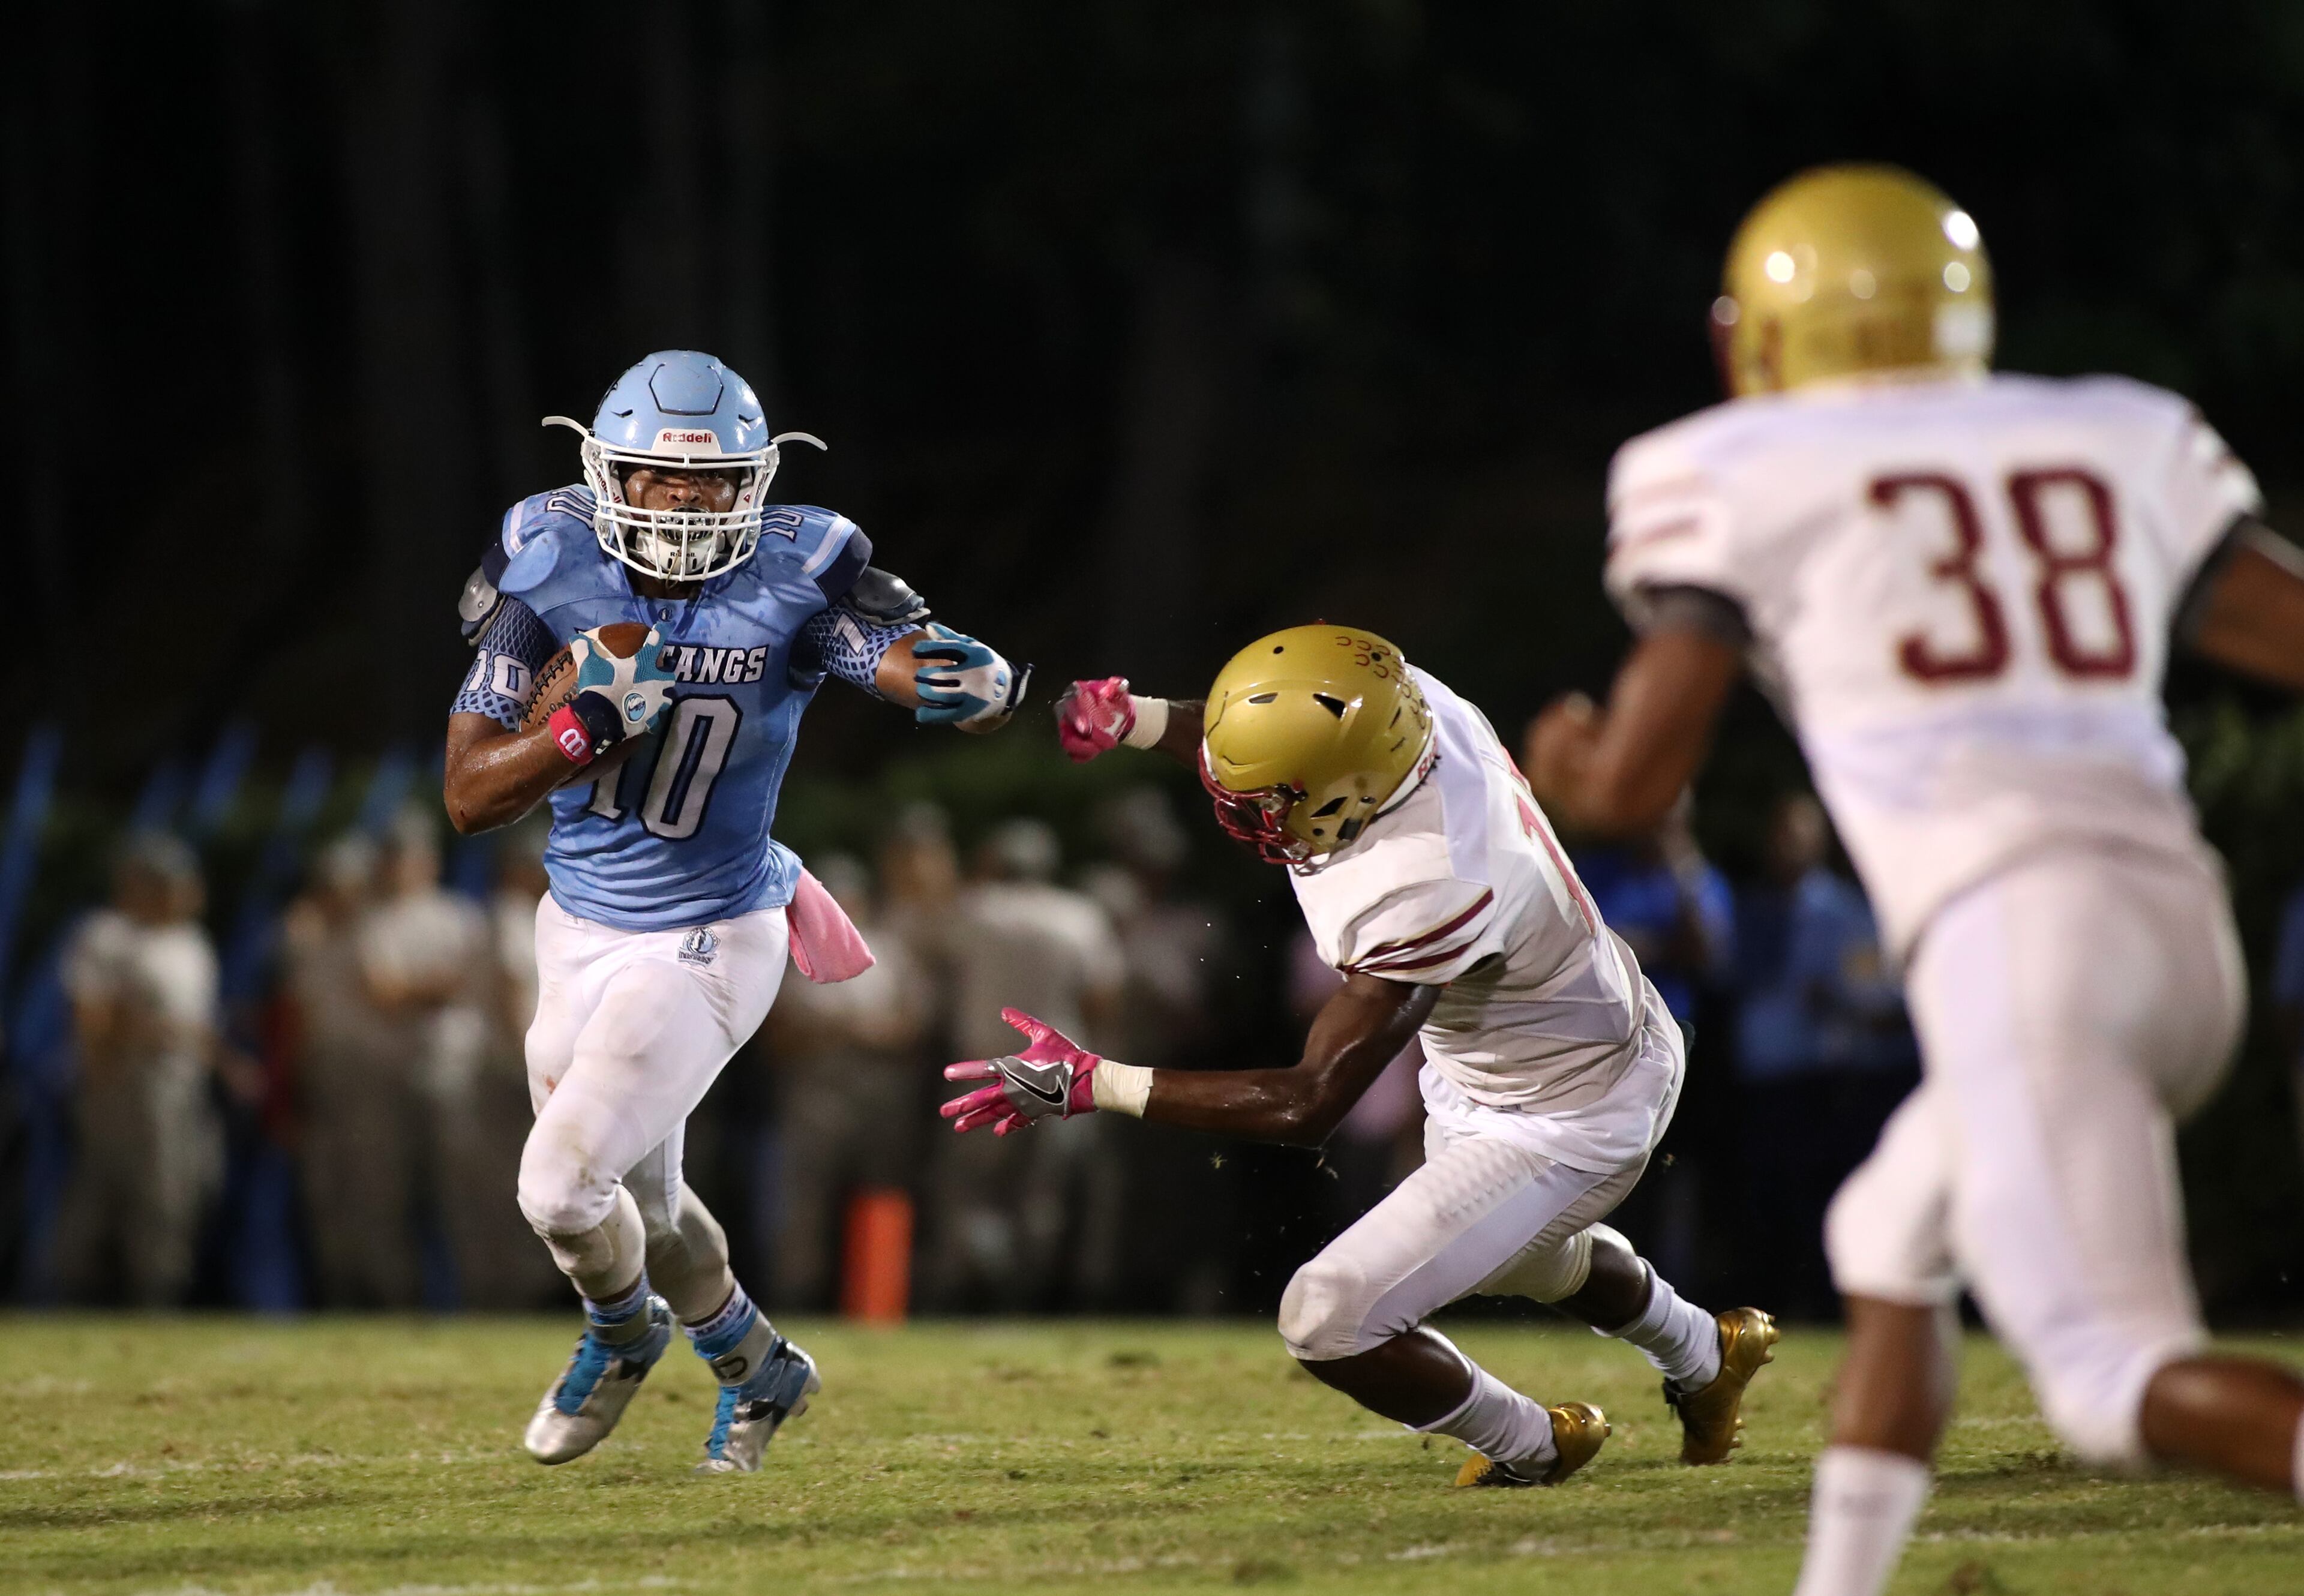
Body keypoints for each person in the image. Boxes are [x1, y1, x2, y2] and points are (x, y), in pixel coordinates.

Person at [1521, 164, 2304, 1594]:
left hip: (2020, 945)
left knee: (2108, 1381)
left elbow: (1634, 792)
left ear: (1752, 336)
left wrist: (1571, 770)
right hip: (2175, 926)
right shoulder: (2109, 433)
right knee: (1884, 1229)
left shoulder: (1726, 468)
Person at [947, 629, 1777, 1489]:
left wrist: (1096, 1082)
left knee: (1328, 1315)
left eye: (1270, 798)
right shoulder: (1402, 710)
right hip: (1524, 1055)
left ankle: (1536, 1444)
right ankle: (1708, 1355)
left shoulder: (1430, 878)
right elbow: (1289, 729)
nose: (1243, 808)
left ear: (1350, 788)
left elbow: (1309, 1102)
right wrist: (1146, 719)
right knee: (1534, 1259)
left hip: (1572, 1109)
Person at [443, 350, 1025, 1473]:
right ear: (608, 473)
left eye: (714, 482)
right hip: (575, 927)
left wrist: (967, 685)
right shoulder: (547, 560)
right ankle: (760, 1366)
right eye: (663, 479)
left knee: (561, 1185)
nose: (691, 502)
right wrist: (577, 731)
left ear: (756, 482)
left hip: (715, 930)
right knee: (648, 1214)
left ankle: (620, 1335)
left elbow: (894, 657)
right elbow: (469, 793)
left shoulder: (799, 573)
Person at [923, 818, 1126, 1310]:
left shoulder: (973, 911)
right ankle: (1029, 1293)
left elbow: (932, 964)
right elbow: (1103, 997)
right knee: (1041, 1192)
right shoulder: (1078, 916)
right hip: (1055, 1071)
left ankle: (973, 1290)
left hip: (985, 1066)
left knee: (973, 1187)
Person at [1732, 793, 1915, 1320]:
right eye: (1778, 834)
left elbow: (1872, 997)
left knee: (1814, 1197)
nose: (1784, 847)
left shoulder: (1843, 914)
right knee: (1764, 1197)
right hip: (1760, 1078)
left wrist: (1837, 1003)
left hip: (1817, 1077)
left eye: (1796, 834)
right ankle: (1762, 1303)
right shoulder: (1754, 909)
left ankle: (1819, 1302)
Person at [53, 833, 229, 1306]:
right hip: (124, 1086)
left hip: (181, 1088)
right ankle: (81, 1296)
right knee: (115, 1197)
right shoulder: (107, 934)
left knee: (176, 1194)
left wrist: (230, 1067)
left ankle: (157, 1298)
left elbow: (197, 1027)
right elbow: (93, 1017)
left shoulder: (193, 944)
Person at [765, 854, 931, 1308]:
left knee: (880, 1196)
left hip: (876, 1090)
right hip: (813, 1093)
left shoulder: (888, 951)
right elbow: (773, 1037)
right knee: (803, 1205)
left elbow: (913, 1027)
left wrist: (866, 1032)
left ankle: (876, 1301)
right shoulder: (787, 952)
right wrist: (827, 1031)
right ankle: (797, 1299)